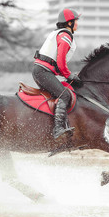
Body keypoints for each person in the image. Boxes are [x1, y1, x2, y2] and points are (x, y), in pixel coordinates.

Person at [32, 8, 82, 139]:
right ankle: (58, 129)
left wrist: (69, 75)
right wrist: (68, 74)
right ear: (69, 23)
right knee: (64, 95)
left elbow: (57, 63)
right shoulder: (65, 36)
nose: (78, 23)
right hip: (43, 72)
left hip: (40, 71)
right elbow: (60, 61)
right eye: (76, 20)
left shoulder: (59, 33)